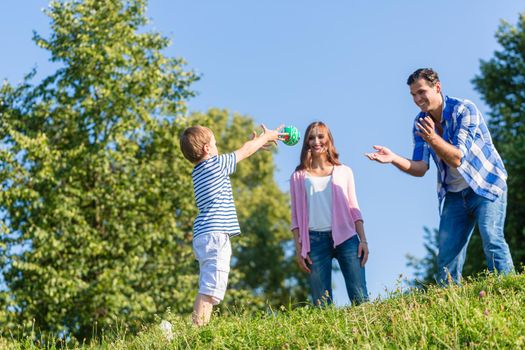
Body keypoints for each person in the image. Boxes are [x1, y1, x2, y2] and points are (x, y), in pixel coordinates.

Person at [366, 68, 514, 284]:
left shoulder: (464, 110)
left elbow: (456, 158)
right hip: (454, 195)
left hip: (485, 184)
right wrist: (394, 158)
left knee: (492, 239)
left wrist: (433, 138)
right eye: (413, 95)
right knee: (447, 256)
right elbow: (420, 168)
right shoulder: (420, 122)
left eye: (421, 92)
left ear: (437, 87)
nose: (417, 99)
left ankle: (508, 289)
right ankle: (447, 302)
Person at [180, 124, 283, 326]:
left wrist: (255, 143)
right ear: (207, 149)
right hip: (215, 235)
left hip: (204, 234)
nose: (218, 148)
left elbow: (245, 150)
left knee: (210, 285)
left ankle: (198, 327)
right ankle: (195, 331)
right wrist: (265, 138)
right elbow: (243, 152)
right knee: (210, 288)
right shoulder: (216, 165)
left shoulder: (198, 172)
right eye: (215, 144)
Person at [290, 121, 369, 306]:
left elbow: (354, 208)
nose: (316, 141)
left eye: (320, 136)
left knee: (360, 297)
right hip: (314, 241)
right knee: (321, 303)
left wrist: (363, 240)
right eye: (311, 137)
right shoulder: (298, 176)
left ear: (328, 140)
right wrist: (298, 248)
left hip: (347, 238)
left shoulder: (344, 171)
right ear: (306, 143)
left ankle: (365, 332)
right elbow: (294, 218)